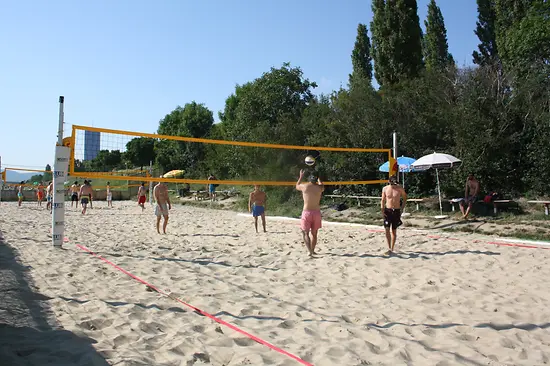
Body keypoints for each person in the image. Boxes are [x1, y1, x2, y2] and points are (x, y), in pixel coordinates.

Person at [296, 169, 324, 257]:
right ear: (316, 178)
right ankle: (312, 250)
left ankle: (309, 251)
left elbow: (297, 185)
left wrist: (301, 176)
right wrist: (319, 178)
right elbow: (321, 184)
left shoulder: (305, 186)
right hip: (316, 213)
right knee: (314, 234)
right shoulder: (320, 188)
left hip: (307, 212)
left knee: (305, 233)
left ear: (309, 178)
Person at [381, 175, 407, 255]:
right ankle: (389, 248)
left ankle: (392, 248)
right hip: (388, 210)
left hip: (396, 210)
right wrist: (382, 209)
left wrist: (402, 208)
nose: (393, 184)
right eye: (392, 182)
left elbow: (405, 198)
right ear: (389, 182)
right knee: (387, 229)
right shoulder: (385, 189)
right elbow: (383, 199)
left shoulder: (399, 188)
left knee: (394, 230)